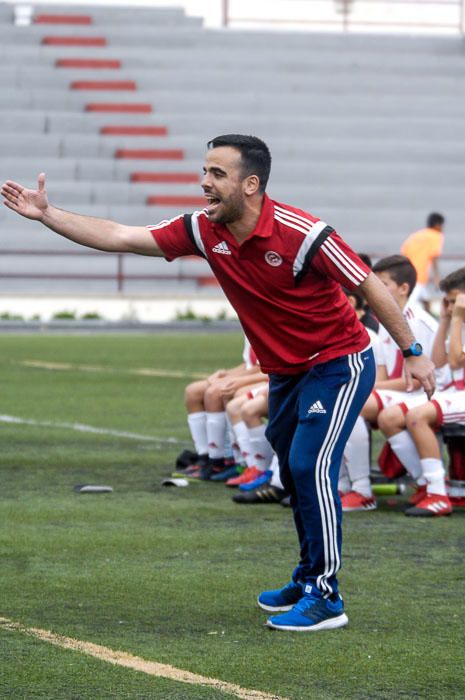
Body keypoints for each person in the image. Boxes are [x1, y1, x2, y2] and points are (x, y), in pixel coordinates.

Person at [1, 134, 435, 633]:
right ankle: (307, 574)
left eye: (217, 174)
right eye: (204, 171)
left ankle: (327, 596)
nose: (204, 183)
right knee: (292, 473)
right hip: (287, 370)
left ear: (251, 185)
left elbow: (368, 285)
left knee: (307, 463)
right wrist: (48, 215)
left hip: (339, 362)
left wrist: (412, 352)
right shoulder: (202, 230)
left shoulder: (305, 233)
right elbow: (122, 236)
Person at [340, 255, 440, 513]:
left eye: (383, 284)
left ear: (403, 288)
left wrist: (368, 391)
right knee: (340, 400)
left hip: (425, 395)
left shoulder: (421, 321)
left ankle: (362, 490)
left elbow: (426, 380)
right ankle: (342, 484)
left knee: (352, 401)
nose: (375, 290)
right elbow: (383, 379)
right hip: (399, 394)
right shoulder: (388, 320)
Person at [401, 212, 445, 312]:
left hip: (408, 273)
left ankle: (429, 321)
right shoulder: (436, 236)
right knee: (408, 305)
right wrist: (437, 279)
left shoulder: (416, 235)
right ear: (438, 225)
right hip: (419, 276)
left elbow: (404, 252)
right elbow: (434, 258)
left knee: (426, 300)